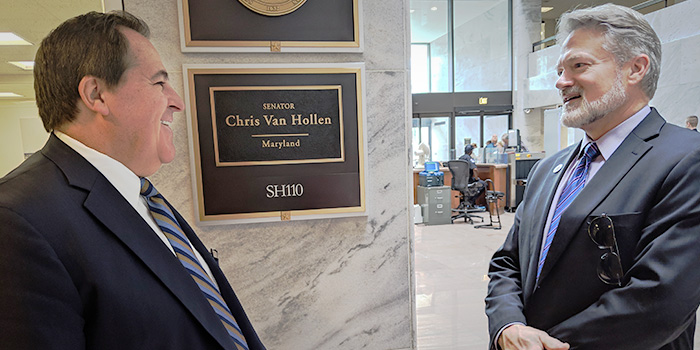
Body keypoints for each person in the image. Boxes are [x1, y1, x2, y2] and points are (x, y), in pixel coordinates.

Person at [0, 11, 265, 350]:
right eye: (159, 83)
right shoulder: (16, 222)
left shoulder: (139, 193)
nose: (177, 102)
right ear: (97, 95)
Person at [485, 4, 700, 350]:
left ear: (635, 68)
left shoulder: (685, 159)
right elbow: (508, 261)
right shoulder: (547, 170)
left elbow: (660, 300)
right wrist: (507, 325)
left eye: (578, 65)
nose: (561, 81)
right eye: (559, 70)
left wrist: (543, 345)